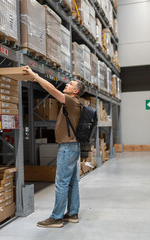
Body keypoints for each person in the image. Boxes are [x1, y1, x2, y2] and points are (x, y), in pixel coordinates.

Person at [23, 66, 86, 228]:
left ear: (75, 91)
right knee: (72, 183)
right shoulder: (76, 103)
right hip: (73, 146)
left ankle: (56, 217)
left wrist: (35, 76)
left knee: (61, 183)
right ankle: (72, 213)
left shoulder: (71, 101)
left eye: (70, 84)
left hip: (67, 148)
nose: (67, 85)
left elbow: (51, 89)